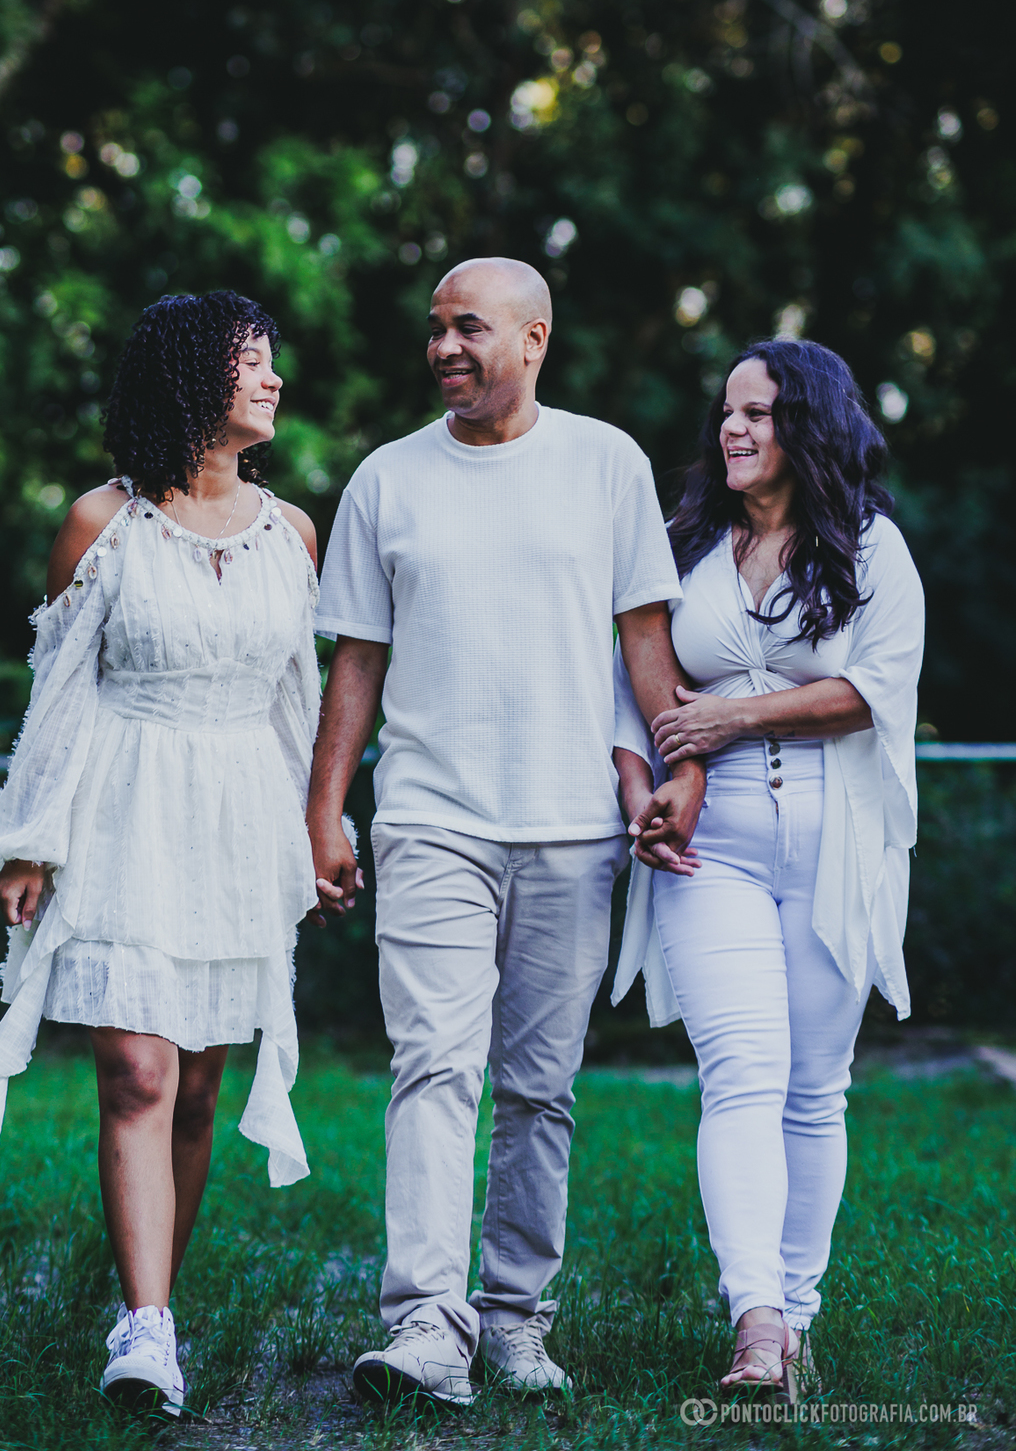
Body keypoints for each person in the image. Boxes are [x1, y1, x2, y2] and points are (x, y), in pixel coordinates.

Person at [306, 257, 706, 1407]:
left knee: (541, 1085)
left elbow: (645, 647)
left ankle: (516, 1317)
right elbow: (356, 664)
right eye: (433, 329)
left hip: (575, 825)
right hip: (431, 816)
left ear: (533, 340)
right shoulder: (387, 479)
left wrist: (677, 775)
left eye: (467, 328)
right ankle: (428, 1325)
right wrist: (326, 809)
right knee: (433, 1066)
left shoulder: (605, 464)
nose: (442, 348)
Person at [0, 291, 322, 1417]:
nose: (271, 381)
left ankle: (158, 1288)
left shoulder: (294, 531)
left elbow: (295, 706)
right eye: (250, 364)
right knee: (139, 1073)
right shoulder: (99, 522)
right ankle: (146, 1329)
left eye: (271, 363)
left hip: (240, 824)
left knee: (201, 1089)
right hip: (124, 808)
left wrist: (321, 830)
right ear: (191, 380)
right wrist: (26, 843)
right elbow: (57, 696)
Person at [611, 339, 924, 1399]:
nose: (733, 430)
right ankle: (754, 1322)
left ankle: (801, 1313)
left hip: (839, 843)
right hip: (714, 848)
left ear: (813, 427)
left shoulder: (872, 550)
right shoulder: (682, 543)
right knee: (739, 1072)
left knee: (813, 1090)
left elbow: (870, 692)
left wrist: (727, 718)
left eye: (761, 413)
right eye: (728, 413)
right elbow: (632, 690)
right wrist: (642, 792)